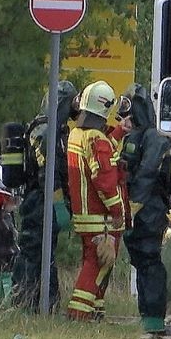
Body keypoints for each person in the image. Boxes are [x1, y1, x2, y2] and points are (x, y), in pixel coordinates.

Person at [11, 81, 79, 312]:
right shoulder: (44, 131)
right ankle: (26, 303)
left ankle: (46, 304)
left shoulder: (58, 131)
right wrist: (59, 204)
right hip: (39, 200)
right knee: (34, 250)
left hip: (48, 199)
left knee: (45, 253)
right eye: (73, 102)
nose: (75, 108)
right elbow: (47, 173)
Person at [119, 83, 171, 335]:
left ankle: (154, 319)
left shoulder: (154, 138)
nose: (124, 119)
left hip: (149, 209)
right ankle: (148, 318)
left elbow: (147, 173)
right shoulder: (134, 137)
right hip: (136, 208)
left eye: (127, 113)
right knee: (141, 261)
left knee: (150, 261)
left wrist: (134, 205)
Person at [65, 80, 128, 322]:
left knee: (96, 262)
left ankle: (95, 312)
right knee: (98, 264)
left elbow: (102, 150)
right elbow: (103, 178)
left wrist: (120, 131)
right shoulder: (96, 139)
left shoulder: (77, 134)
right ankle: (79, 315)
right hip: (101, 219)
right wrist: (117, 210)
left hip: (84, 216)